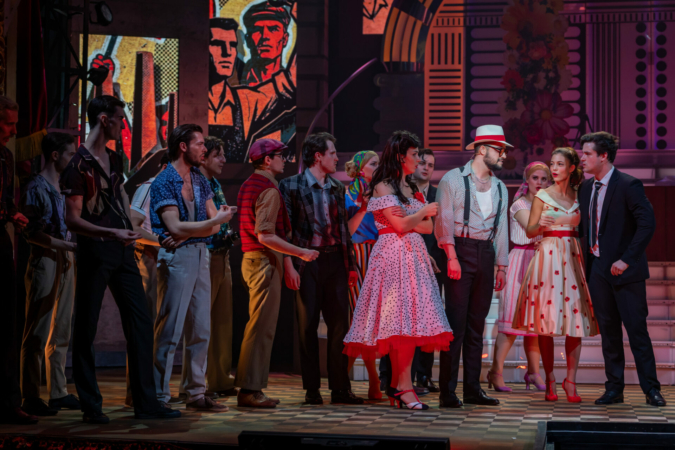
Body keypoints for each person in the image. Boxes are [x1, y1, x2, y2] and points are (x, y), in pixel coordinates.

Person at [61, 95, 179, 423]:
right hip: (96, 251)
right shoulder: (77, 166)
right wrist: (111, 232)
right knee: (86, 328)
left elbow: (121, 197)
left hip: (123, 250)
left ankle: (146, 402)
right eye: (118, 118)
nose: (122, 124)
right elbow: (72, 219)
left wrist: (129, 229)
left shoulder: (113, 158)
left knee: (140, 323)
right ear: (103, 119)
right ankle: (91, 406)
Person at [343, 130, 452, 410]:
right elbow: (401, 226)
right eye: (415, 155)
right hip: (392, 255)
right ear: (402, 157)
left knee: (410, 324)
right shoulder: (383, 186)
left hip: (414, 256)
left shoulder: (410, 187)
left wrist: (414, 217)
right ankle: (402, 386)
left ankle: (400, 386)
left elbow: (427, 228)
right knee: (398, 324)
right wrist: (421, 212)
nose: (419, 160)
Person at [150, 124, 234, 412]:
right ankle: (159, 397)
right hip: (177, 258)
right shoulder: (165, 180)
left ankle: (196, 393)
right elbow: (175, 225)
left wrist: (193, 231)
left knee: (201, 328)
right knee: (170, 329)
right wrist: (210, 223)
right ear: (183, 147)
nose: (204, 148)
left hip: (200, 254)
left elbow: (214, 225)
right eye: (199, 144)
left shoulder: (199, 178)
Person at [579, 132, 665, 406]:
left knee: (637, 331)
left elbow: (647, 224)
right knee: (609, 332)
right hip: (597, 269)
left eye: (587, 154)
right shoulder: (585, 188)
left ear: (603, 156)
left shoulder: (628, 184)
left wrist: (626, 259)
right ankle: (614, 388)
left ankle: (651, 389)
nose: (582, 158)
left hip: (625, 272)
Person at [279, 132, 363, 405]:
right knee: (307, 327)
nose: (337, 158)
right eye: (333, 153)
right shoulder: (290, 185)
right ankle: (312, 388)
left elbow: (344, 231)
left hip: (335, 261)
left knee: (340, 326)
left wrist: (351, 266)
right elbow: (284, 230)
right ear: (318, 156)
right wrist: (289, 264)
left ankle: (340, 388)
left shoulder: (337, 187)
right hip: (306, 262)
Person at [236, 138, 318, 408]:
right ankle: (250, 389)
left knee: (259, 325)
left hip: (255, 260)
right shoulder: (268, 189)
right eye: (280, 155)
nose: (285, 160)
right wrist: (300, 252)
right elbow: (265, 235)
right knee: (261, 328)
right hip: (263, 260)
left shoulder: (250, 184)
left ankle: (251, 387)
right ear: (267, 160)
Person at [512, 147, 599, 403]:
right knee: (546, 322)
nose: (554, 168)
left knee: (575, 322)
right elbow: (530, 231)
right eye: (552, 164)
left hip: (573, 256)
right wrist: (540, 225)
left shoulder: (580, 194)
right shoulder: (542, 195)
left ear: (571, 168)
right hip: (548, 257)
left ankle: (570, 380)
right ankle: (550, 379)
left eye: (560, 164)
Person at [435, 124, 510, 408]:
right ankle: (447, 391)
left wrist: (501, 266)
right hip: (460, 249)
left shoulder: (500, 187)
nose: (503, 155)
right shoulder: (453, 179)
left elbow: (501, 228)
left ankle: (472, 389)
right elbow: (443, 221)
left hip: (486, 253)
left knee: (477, 325)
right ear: (482, 149)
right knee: (456, 325)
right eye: (499, 150)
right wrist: (451, 256)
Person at [19, 133, 79, 416]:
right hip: (45, 258)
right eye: (69, 154)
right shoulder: (35, 187)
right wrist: (66, 246)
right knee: (38, 328)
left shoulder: (63, 186)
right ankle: (30, 395)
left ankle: (58, 391)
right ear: (55, 155)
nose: (73, 159)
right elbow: (32, 232)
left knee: (62, 327)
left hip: (65, 257)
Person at [488, 162, 550, 393]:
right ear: (527, 179)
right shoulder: (520, 204)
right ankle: (496, 372)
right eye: (535, 178)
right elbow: (532, 227)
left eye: (544, 179)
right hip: (521, 260)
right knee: (511, 323)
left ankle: (533, 372)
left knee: (535, 325)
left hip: (541, 261)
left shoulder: (547, 204)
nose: (539, 182)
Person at [208, 18, 295, 163]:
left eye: (233, 45)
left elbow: (288, 82)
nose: (227, 52)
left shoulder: (247, 100)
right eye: (217, 44)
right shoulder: (188, 102)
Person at [0, 96, 35, 425]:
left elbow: (7, 200)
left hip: (1, 240)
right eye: (7, 124)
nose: (13, 131)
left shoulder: (7, 157)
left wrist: (14, 214)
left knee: (8, 320)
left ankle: (10, 402)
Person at [125, 153, 169, 408]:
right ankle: (137, 392)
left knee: (158, 326)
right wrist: (161, 241)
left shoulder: (169, 189)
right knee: (144, 325)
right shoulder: (149, 187)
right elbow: (134, 227)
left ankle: (151, 390)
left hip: (162, 258)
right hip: (148, 257)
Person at [199, 137, 238, 398]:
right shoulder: (197, 183)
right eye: (218, 155)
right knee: (201, 322)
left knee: (223, 321)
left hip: (222, 255)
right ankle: (194, 384)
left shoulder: (213, 182)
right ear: (203, 158)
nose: (223, 160)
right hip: (207, 254)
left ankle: (220, 379)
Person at [344, 150, 382, 400]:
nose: (378, 167)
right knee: (360, 319)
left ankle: (367, 382)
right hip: (358, 254)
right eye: (373, 163)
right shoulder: (351, 193)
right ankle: (369, 381)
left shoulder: (378, 190)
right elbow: (349, 230)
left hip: (376, 253)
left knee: (366, 321)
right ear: (360, 168)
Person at [411, 148, 444, 393]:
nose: (426, 168)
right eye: (422, 163)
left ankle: (424, 375)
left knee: (429, 321)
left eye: (431, 165)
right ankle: (393, 376)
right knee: (404, 320)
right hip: (407, 260)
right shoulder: (403, 191)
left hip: (434, 264)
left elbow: (441, 229)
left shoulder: (438, 195)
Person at [241, 3, 291, 86]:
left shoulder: (290, 82)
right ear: (248, 39)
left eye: (273, 29)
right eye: (257, 29)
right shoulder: (235, 79)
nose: (265, 36)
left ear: (285, 39)